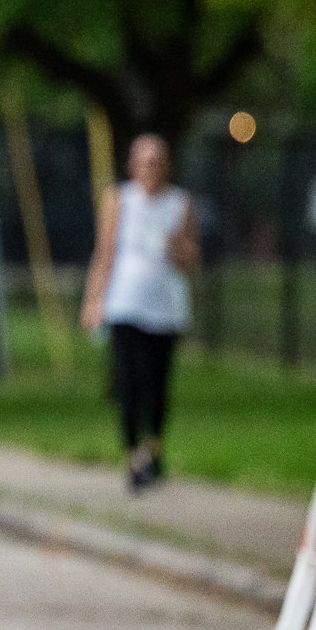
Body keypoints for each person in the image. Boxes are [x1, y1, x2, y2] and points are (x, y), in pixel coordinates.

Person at [81, 133, 200, 492]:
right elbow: (104, 253)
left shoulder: (179, 204)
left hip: (165, 306)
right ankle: (132, 454)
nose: (151, 169)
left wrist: (177, 245)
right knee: (129, 380)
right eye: (145, 162)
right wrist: (92, 299)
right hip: (125, 302)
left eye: (157, 162)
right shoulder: (119, 200)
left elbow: (191, 260)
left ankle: (154, 446)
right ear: (132, 165)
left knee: (157, 383)